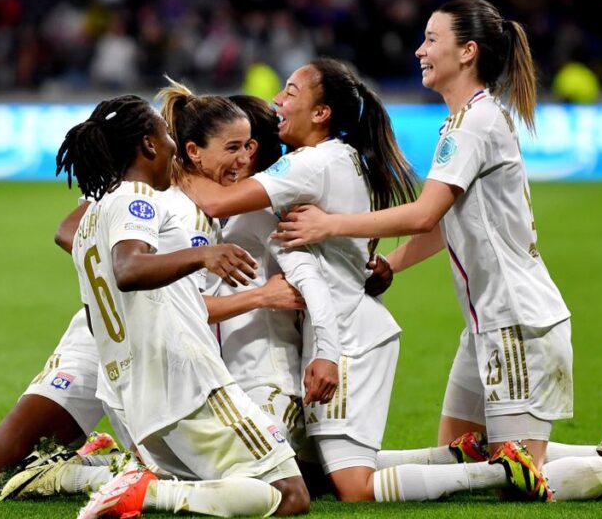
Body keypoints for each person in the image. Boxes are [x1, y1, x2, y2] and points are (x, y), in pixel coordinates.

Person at [273, 0, 602, 501]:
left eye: (432, 39)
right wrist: (393, 263)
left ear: (467, 52)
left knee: (517, 480)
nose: (420, 50)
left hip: (517, 320)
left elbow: (425, 213)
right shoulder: (467, 120)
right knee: (461, 455)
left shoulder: (474, 123)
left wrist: (330, 225)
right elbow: (444, 220)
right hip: (486, 323)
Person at [182, 58, 552, 504]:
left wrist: (172, 164)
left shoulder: (311, 164)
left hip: (344, 339)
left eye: (291, 92)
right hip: (348, 329)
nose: (279, 100)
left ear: (321, 113)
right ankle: (458, 458)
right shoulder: (340, 157)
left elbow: (219, 205)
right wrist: (374, 262)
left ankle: (496, 472)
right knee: (331, 472)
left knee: (353, 487)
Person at [54, 94, 311, 518]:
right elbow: (129, 268)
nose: (173, 147)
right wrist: (203, 255)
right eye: (166, 136)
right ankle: (147, 493)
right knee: (290, 493)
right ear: (149, 144)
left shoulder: (90, 219)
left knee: (210, 484)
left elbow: (99, 311)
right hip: (188, 382)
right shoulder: (138, 197)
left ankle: (125, 483)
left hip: (132, 393)